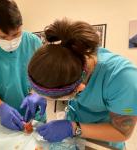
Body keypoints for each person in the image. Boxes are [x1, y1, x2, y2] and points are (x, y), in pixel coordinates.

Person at [26, 18, 137, 149]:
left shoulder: (123, 79)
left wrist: (74, 128)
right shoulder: (68, 53)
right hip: (75, 130)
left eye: (58, 97)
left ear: (79, 89)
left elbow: (122, 132)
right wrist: (39, 93)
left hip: (103, 141)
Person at [0, 0, 46, 131]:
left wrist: (38, 94)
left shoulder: (34, 42)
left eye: (16, 34)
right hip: (5, 118)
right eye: (3, 37)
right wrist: (1, 107)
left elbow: (46, 78)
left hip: (37, 116)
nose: (11, 41)